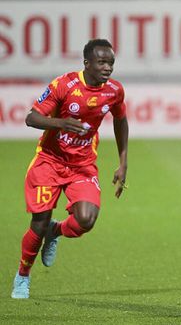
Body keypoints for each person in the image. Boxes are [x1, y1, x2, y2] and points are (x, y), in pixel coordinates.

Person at [11, 39, 129, 299]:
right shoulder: (64, 85)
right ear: (86, 63)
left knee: (86, 220)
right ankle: (22, 276)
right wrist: (60, 123)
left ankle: (55, 231)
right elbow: (31, 118)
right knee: (37, 224)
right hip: (49, 162)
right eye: (101, 62)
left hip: (82, 165)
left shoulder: (114, 91)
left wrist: (123, 162)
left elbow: (121, 120)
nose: (107, 68)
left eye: (110, 62)